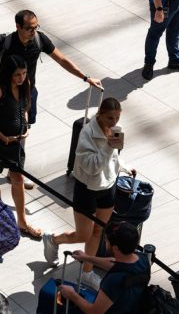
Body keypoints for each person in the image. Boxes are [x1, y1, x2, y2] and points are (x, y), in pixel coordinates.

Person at [0, 10, 102, 126]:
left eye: (36, 26)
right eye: (29, 28)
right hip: (3, 94)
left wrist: (85, 78)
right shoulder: (4, 42)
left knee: (24, 128)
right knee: (0, 126)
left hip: (27, 93)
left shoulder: (40, 40)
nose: (33, 31)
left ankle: (15, 169)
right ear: (18, 27)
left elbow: (62, 60)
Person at [42, 98, 135, 290]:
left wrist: (123, 167)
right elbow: (92, 167)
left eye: (117, 117)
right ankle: (53, 240)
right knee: (84, 235)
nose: (114, 122)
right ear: (100, 114)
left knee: (98, 231)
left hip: (108, 186)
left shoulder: (116, 129)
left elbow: (114, 156)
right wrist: (109, 146)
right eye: (110, 118)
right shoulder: (87, 134)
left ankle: (87, 272)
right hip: (87, 189)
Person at [0, 55, 40, 239]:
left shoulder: (25, 85)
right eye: (17, 74)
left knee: (17, 179)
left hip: (14, 143)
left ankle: (22, 221)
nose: (21, 78)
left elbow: (25, 107)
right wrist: (3, 137)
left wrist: (25, 127)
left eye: (24, 73)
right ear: (8, 73)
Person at [57, 221, 150, 313]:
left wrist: (72, 295)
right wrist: (87, 258)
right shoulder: (142, 259)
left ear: (116, 248)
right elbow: (115, 263)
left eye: (106, 240)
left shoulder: (113, 281)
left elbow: (94, 312)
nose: (105, 242)